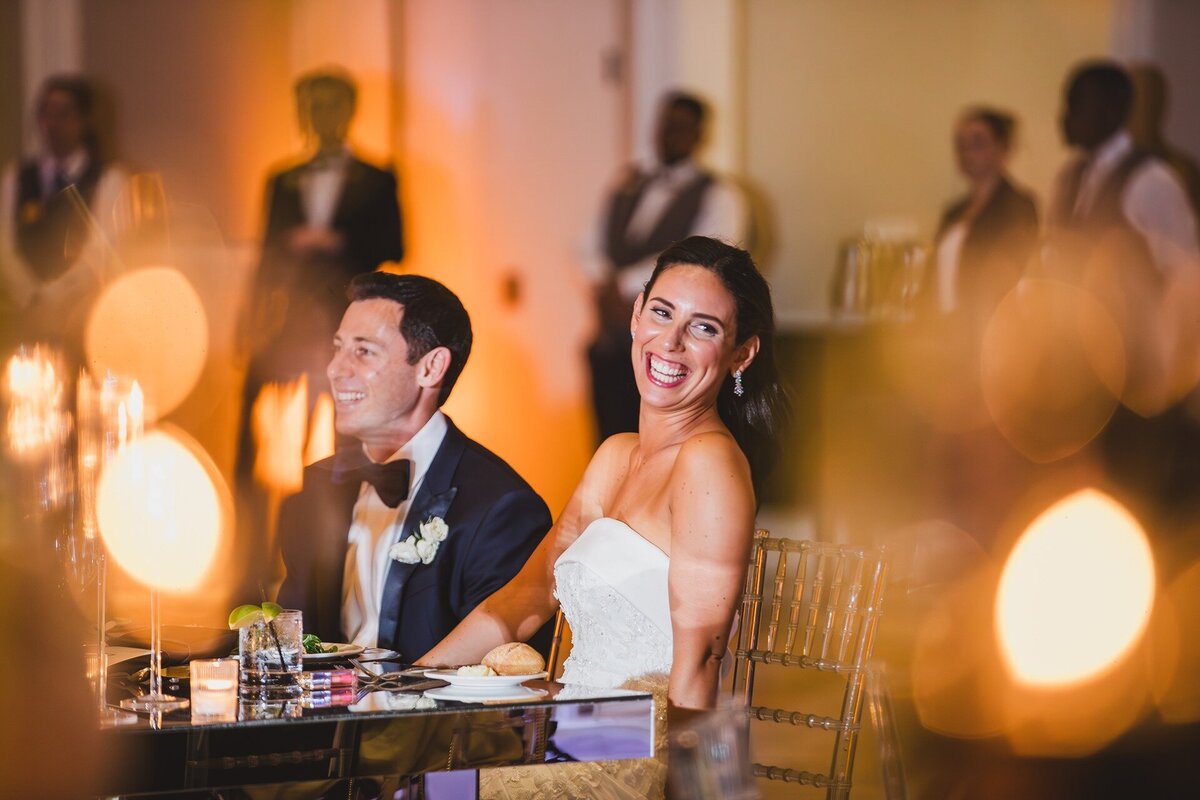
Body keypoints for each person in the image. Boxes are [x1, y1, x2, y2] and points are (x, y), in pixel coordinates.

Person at [420, 236, 788, 799]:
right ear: (636, 314)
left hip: (632, 751)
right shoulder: (617, 455)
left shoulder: (710, 463)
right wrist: (405, 684)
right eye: (662, 313)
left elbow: (704, 657)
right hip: (561, 730)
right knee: (409, 776)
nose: (672, 341)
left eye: (704, 327)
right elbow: (525, 596)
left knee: (434, 792)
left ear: (741, 353)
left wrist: (685, 790)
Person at [275, 272, 552, 661]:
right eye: (338, 348)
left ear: (431, 367)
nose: (336, 369)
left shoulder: (501, 508)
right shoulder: (318, 487)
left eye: (364, 351)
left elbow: (500, 684)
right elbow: (291, 641)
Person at [236, 67, 404, 483]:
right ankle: (248, 509)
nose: (320, 116)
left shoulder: (379, 179)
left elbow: (397, 247)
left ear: (348, 111)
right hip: (290, 314)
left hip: (345, 314)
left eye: (329, 106)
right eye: (312, 107)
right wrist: (250, 316)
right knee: (251, 405)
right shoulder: (282, 180)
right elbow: (265, 256)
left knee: (349, 408)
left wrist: (338, 242)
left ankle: (342, 497)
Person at [582, 91, 748, 442]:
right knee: (607, 444)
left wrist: (624, 284)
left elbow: (708, 262)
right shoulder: (626, 183)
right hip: (610, 343)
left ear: (701, 134)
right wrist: (601, 282)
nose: (671, 133)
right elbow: (588, 244)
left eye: (682, 127)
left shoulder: (721, 196)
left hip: (671, 353)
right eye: (666, 124)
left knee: (661, 445)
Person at [0, 75, 127, 352]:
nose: (53, 124)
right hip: (27, 315)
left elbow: (102, 251)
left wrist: (55, 297)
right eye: (45, 113)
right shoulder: (17, 178)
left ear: (83, 120)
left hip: (81, 317)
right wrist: (31, 297)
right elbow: (5, 247)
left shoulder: (108, 179)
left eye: (64, 114)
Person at [1048, 60, 1199, 274]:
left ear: (1109, 112)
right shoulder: (1070, 175)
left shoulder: (1151, 180)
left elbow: (1185, 272)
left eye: (1076, 105)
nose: (1064, 117)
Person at [923, 107, 1039, 318]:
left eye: (977, 143)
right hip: (947, 325)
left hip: (989, 325)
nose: (966, 151)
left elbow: (1011, 271)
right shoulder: (954, 211)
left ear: (1002, 148)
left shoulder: (1018, 205)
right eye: (960, 144)